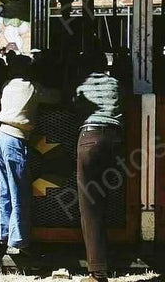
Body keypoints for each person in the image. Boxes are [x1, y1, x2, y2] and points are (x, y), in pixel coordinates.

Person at [0, 55, 59, 256]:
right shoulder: (33, 87)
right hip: (15, 140)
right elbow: (56, 97)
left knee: (5, 190)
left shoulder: (7, 84)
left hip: (0, 137)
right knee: (19, 192)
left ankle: (4, 234)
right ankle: (18, 242)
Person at [74, 52, 123, 282]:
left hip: (90, 137)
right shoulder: (115, 83)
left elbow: (75, 107)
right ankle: (107, 261)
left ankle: (97, 272)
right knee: (104, 201)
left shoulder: (81, 85)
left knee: (90, 207)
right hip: (114, 139)